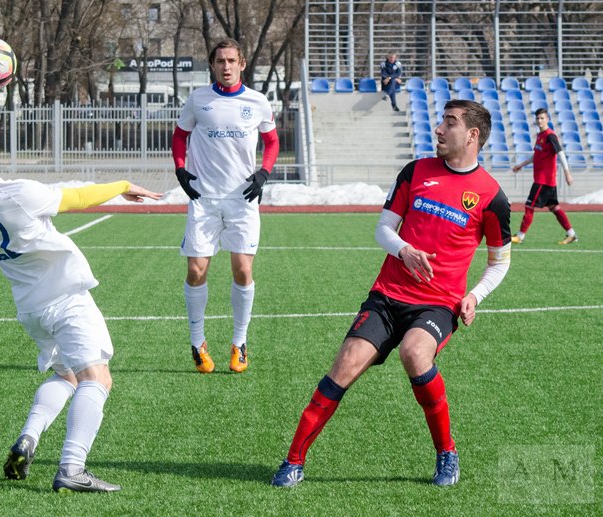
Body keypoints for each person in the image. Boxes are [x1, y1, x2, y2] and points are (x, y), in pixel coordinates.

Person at [271, 99, 511, 488]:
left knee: (415, 353)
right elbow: (384, 228)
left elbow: (500, 261)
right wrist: (403, 249)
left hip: (437, 304)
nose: (438, 129)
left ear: (472, 135)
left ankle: (447, 453)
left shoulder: (491, 196)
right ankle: (293, 460)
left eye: (449, 123)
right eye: (440, 121)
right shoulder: (415, 171)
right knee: (344, 366)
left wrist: (475, 296)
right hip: (387, 295)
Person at [0, 117, 162, 493]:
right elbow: (77, 198)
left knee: (66, 377)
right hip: (65, 300)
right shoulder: (16, 194)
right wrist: (122, 185)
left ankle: (28, 437)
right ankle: (72, 468)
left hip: (31, 308)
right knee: (97, 378)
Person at [172, 38, 279, 374]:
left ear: (242, 63)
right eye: (220, 61)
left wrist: (264, 172)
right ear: (213, 65)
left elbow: (272, 141)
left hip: (242, 200)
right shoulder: (198, 99)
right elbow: (179, 135)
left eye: (232, 60)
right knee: (195, 271)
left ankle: (239, 342)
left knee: (243, 270)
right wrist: (180, 169)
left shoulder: (257, 101)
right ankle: (197, 342)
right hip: (203, 199)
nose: (226, 67)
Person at [511, 108, 577, 245]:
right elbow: (537, 155)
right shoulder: (540, 136)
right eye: (538, 118)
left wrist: (567, 173)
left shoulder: (550, 136)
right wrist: (521, 165)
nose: (539, 121)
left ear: (547, 119)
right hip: (545, 180)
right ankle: (571, 234)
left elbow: (561, 153)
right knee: (554, 207)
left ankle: (520, 236)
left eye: (542, 118)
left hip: (544, 180)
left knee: (529, 206)